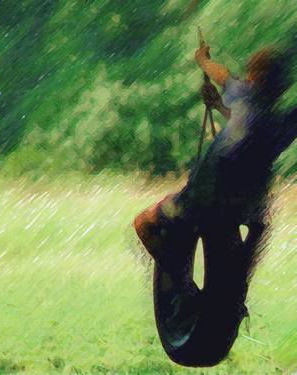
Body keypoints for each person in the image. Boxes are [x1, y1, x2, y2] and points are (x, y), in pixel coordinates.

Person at [133, 45, 297, 366]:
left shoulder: (243, 94)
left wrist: (201, 59)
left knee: (144, 224)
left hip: (204, 200)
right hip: (246, 208)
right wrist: (219, 105)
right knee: (254, 239)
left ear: (253, 78)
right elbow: (252, 129)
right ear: (281, 88)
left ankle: (182, 287)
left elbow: (221, 74)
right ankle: (237, 294)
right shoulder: (278, 122)